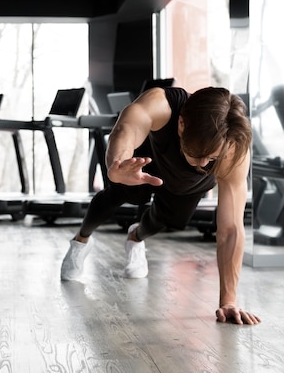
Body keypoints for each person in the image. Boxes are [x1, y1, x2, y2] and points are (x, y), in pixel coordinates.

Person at [60, 86, 261, 325]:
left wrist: (228, 301)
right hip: (144, 163)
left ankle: (135, 238)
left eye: (213, 159)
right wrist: (118, 166)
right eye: (200, 155)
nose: (204, 164)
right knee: (116, 196)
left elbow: (230, 230)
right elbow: (128, 126)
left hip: (185, 187)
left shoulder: (233, 149)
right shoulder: (163, 104)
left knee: (170, 220)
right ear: (182, 124)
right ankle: (80, 241)